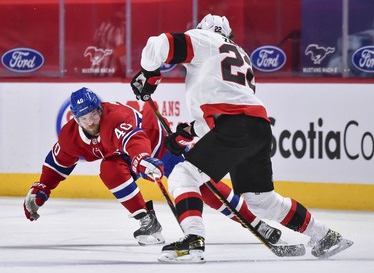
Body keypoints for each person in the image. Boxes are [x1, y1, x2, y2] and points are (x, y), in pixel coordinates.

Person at [131, 14, 353, 263]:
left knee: (184, 175)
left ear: (204, 29)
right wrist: (187, 133)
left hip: (235, 126)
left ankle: (193, 240)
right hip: (257, 126)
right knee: (262, 200)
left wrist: (148, 75)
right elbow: (225, 108)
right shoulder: (240, 55)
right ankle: (324, 235)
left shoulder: (203, 39)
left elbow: (159, 43)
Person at [23, 87, 280, 248]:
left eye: (93, 113)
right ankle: (148, 222)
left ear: (100, 109)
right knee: (109, 170)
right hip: (131, 158)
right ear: (75, 119)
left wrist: (142, 159)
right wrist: (42, 188)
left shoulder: (115, 118)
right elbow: (57, 164)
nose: (91, 121)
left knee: (202, 187)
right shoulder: (70, 137)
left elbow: (134, 139)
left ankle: (255, 222)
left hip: (158, 147)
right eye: (84, 117)